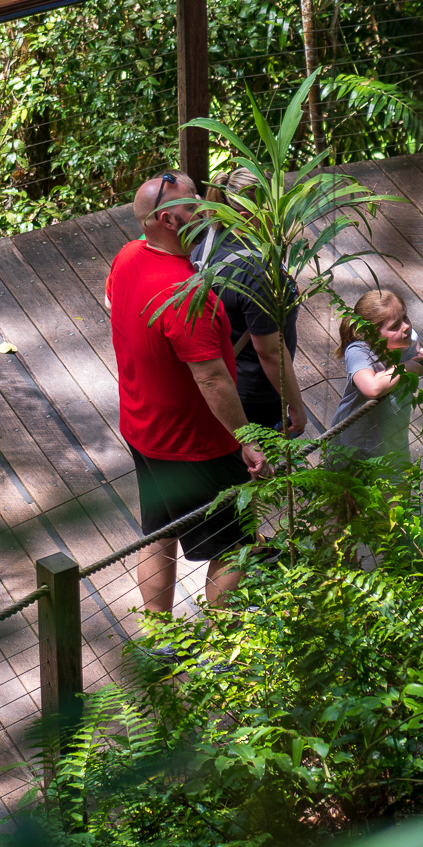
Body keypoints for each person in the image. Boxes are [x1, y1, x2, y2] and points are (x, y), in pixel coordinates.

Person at [105, 170, 272, 614]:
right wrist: (248, 442)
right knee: (234, 542)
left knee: (160, 532)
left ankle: (161, 639)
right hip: (197, 445)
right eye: (194, 202)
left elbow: (112, 304)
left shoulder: (126, 256)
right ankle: (221, 648)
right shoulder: (185, 294)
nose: (206, 207)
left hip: (143, 429)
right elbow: (212, 378)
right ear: (170, 221)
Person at [190, 167, 307, 438]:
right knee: (259, 469)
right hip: (254, 392)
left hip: (221, 373)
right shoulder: (254, 271)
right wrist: (295, 406)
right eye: (273, 213)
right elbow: (270, 353)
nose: (281, 219)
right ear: (246, 218)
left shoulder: (208, 236)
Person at [330, 288, 423, 461]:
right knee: (352, 488)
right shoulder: (360, 351)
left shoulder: (409, 340)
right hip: (355, 445)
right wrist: (405, 367)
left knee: (399, 486)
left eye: (405, 317)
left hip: (394, 440)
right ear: (370, 333)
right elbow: (372, 388)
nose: (406, 326)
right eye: (394, 326)